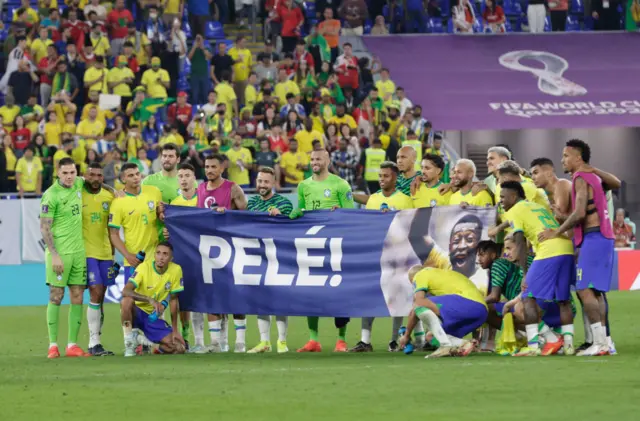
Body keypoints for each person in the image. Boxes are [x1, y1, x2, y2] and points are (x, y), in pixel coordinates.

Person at [539, 139, 621, 356]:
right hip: (602, 236)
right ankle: (604, 343)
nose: (562, 160)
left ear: (578, 158)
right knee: (595, 291)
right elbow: (616, 184)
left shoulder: (580, 178)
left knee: (585, 290)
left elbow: (580, 213)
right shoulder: (592, 176)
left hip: (594, 238)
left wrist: (556, 231)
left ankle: (600, 343)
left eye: (566, 156)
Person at [500, 181, 575, 356]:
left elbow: (519, 241)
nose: (501, 201)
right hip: (566, 248)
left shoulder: (515, 210)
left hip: (549, 251)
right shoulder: (538, 207)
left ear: (513, 196)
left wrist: (525, 274)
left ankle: (535, 346)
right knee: (563, 299)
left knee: (527, 297)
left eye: (503, 197)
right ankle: (569, 345)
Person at [292, 149, 355, 353]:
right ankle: (313, 340)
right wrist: (287, 215)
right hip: (312, 246)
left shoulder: (340, 184)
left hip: (335, 245)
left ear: (327, 160)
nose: (314, 162)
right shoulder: (303, 186)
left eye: (318, 159)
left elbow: (352, 214)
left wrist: (341, 213)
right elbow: (299, 212)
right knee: (311, 291)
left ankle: (341, 340)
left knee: (338, 291)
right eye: (311, 159)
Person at [351, 161, 413, 353]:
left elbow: (411, 228)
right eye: (380, 176)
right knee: (370, 295)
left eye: (386, 176)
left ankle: (394, 340)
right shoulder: (373, 199)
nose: (382, 179)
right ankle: (365, 340)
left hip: (398, 257)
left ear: (394, 177)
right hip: (376, 256)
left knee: (398, 297)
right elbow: (367, 227)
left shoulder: (405, 200)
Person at [196, 154, 248, 353]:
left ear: (222, 169)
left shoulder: (233, 188)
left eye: (213, 167)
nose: (209, 170)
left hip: (230, 249)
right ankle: (217, 343)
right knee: (211, 295)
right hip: (207, 250)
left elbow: (247, 217)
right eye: (207, 166)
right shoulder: (200, 189)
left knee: (236, 295)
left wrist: (227, 214)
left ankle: (240, 342)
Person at [40, 157, 89, 358]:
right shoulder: (51, 195)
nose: (70, 177)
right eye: (65, 173)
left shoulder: (79, 183)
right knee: (56, 296)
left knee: (77, 296)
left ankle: (72, 345)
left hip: (79, 252)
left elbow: (95, 182)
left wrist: (114, 191)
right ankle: (53, 345)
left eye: (72, 172)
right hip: (60, 254)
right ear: (58, 173)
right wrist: (55, 255)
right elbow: (44, 227)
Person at [246, 167, 293, 354]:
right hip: (258, 257)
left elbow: (290, 218)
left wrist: (279, 213)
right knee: (261, 300)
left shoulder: (284, 202)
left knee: (279, 300)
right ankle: (264, 341)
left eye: (266, 182)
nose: (262, 185)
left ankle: (282, 341)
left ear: (273, 183)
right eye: (259, 181)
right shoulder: (252, 203)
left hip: (279, 258)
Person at [398, 265, 487, 358]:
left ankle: (445, 346)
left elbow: (418, 302)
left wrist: (406, 335)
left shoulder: (420, 274)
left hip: (468, 304)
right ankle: (464, 344)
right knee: (431, 336)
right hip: (481, 313)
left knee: (419, 304)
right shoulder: (443, 274)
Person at [121, 242, 186, 356]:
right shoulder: (144, 268)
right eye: (158, 253)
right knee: (126, 301)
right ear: (154, 255)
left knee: (178, 348)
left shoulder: (176, 270)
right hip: (136, 312)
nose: (161, 257)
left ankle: (145, 343)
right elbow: (126, 291)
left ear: (171, 258)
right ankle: (129, 344)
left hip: (152, 317)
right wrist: (149, 299)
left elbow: (174, 300)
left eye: (165, 254)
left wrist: (175, 330)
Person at [161, 163, 200, 351]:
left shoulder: (202, 200)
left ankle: (215, 339)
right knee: (181, 298)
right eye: (181, 176)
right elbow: (169, 231)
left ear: (194, 179)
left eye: (187, 175)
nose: (183, 179)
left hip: (203, 257)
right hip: (181, 257)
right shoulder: (174, 204)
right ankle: (184, 337)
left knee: (204, 297)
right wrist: (168, 233)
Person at [108, 163, 162, 286]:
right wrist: (128, 255)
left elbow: (162, 216)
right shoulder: (118, 203)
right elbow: (114, 234)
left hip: (155, 258)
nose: (136, 177)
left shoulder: (154, 192)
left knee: (153, 300)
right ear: (123, 179)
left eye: (137, 174)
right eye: (131, 175)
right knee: (129, 302)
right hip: (134, 259)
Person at [82, 162, 116, 356]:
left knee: (101, 295)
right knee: (95, 291)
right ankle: (93, 341)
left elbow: (113, 226)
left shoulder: (109, 196)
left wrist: (113, 254)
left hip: (106, 253)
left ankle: (97, 339)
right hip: (87, 252)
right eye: (92, 175)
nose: (95, 178)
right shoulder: (78, 193)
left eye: (99, 175)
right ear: (85, 176)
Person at [529, 157, 572, 222]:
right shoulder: (548, 194)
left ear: (548, 173)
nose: (532, 178)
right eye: (531, 174)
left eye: (535, 173)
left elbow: (559, 218)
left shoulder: (561, 184)